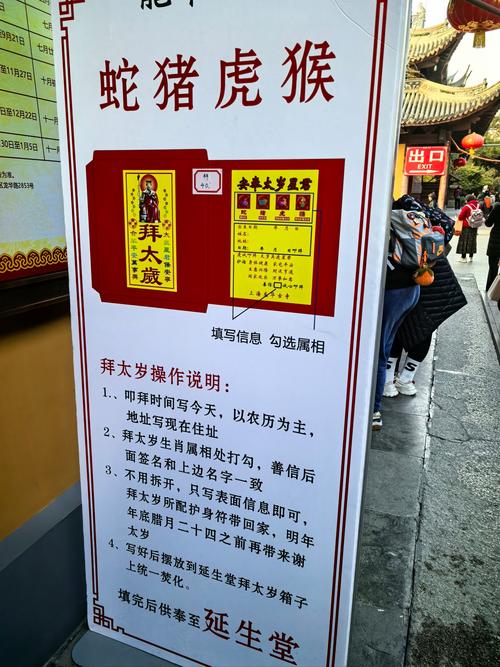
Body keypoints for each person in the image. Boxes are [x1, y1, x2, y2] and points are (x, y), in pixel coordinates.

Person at [372, 203, 421, 430]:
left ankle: (373, 411)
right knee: (385, 345)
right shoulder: (403, 217)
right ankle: (375, 404)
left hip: (394, 292)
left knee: (379, 352)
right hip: (411, 289)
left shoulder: (383, 219)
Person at [456, 194, 480, 262]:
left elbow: (460, 217)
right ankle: (471, 257)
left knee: (464, 241)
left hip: (466, 226)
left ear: (468, 200)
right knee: (472, 241)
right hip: (475, 226)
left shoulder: (466, 207)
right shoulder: (478, 206)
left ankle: (463, 258)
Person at [485, 201, 500, 292]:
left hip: (496, 240)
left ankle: (491, 289)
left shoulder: (497, 207)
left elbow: (488, 223)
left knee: (493, 267)